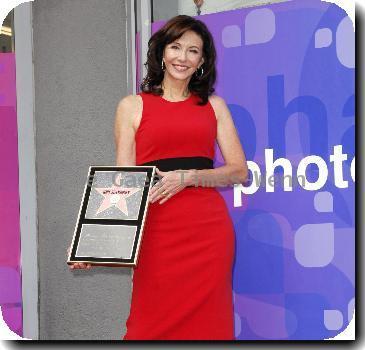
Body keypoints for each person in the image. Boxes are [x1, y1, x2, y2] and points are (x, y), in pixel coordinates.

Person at [69, 14, 248, 340]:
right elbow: (122, 183)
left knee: (209, 326)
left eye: (193, 51)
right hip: (155, 230)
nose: (183, 57)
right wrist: (96, 248)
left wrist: (189, 177)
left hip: (207, 232)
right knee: (147, 326)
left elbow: (239, 172)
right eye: (176, 47)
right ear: (162, 53)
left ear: (202, 60)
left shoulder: (215, 106)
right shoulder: (132, 106)